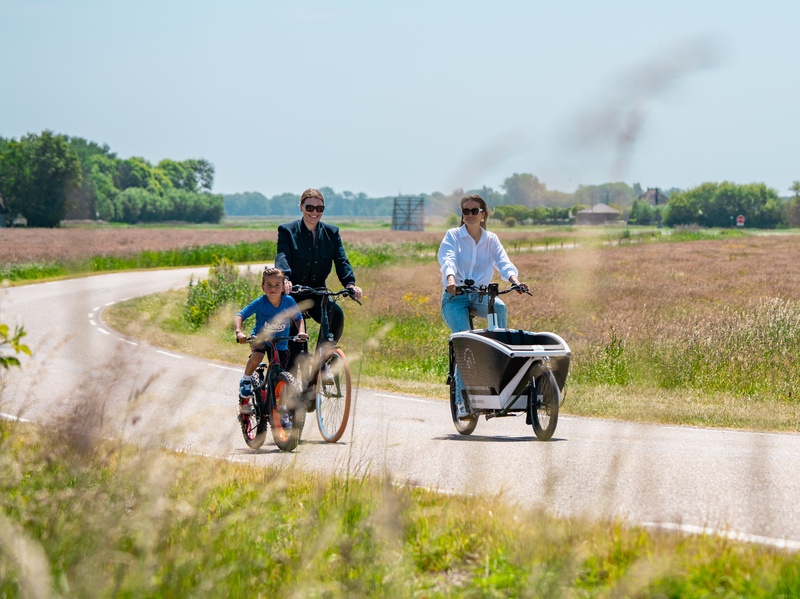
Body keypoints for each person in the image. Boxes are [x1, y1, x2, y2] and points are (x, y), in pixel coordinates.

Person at [438, 194, 528, 416]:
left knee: (500, 308)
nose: (469, 215)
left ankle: (497, 363)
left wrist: (515, 281)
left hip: (481, 296)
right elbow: (447, 259)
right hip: (455, 296)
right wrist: (451, 280)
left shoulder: (491, 240)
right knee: (465, 342)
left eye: (474, 211)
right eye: (465, 211)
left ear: (483, 214)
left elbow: (503, 263)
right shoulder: (453, 236)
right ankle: (462, 404)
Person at [275, 188, 362, 370]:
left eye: (319, 208)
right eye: (310, 207)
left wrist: (350, 284)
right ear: (301, 207)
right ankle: (294, 389)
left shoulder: (332, 233)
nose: (314, 212)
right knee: (296, 350)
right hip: (294, 294)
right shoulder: (287, 231)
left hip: (317, 293)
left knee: (335, 315)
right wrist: (286, 279)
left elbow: (341, 260)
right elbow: (282, 256)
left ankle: (321, 361)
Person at [234, 267, 307, 417]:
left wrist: (301, 331)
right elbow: (240, 315)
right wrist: (239, 332)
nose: (273, 288)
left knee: (280, 374)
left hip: (280, 342)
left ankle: (279, 406)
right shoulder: (260, 302)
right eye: (269, 285)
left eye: (277, 285)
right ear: (263, 287)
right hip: (261, 338)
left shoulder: (289, 301)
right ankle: (246, 380)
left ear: (283, 287)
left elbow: (298, 318)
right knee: (258, 356)